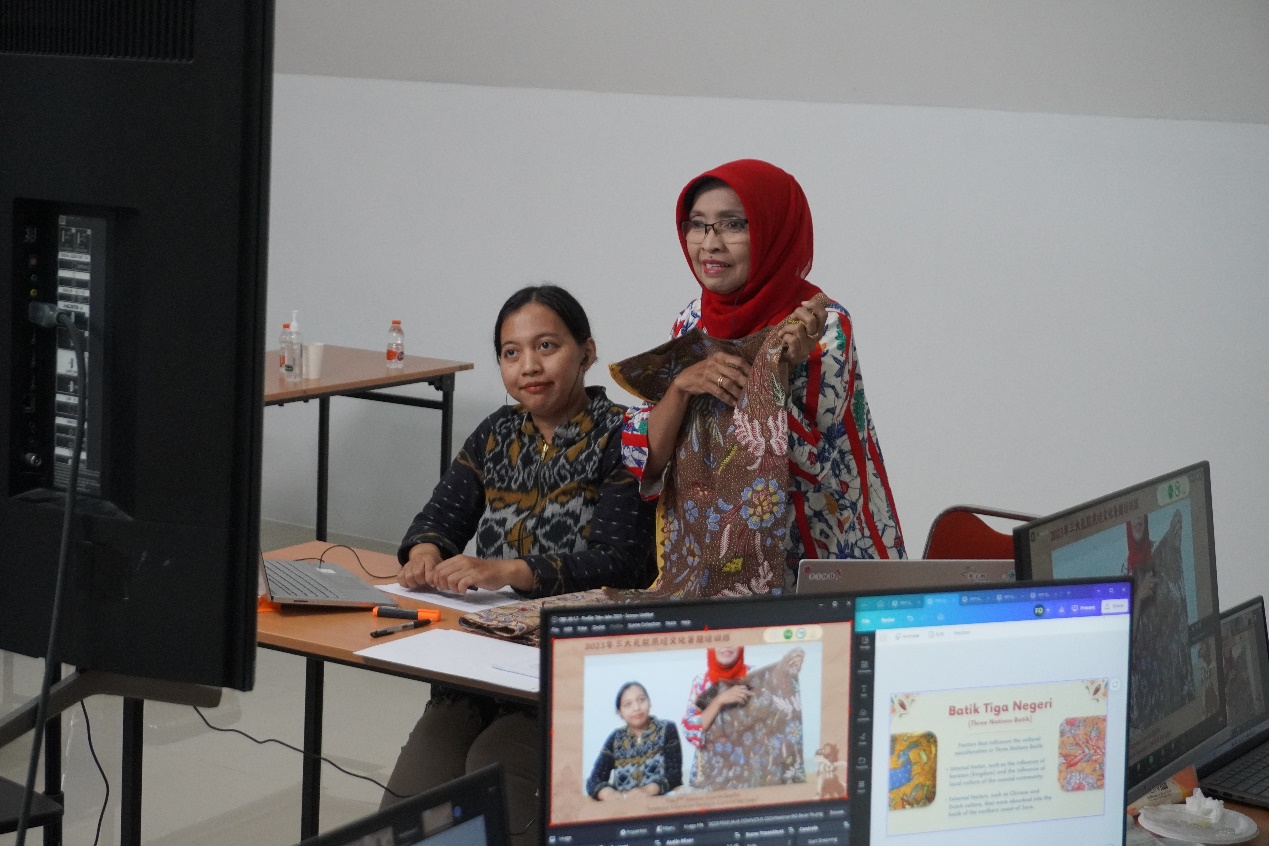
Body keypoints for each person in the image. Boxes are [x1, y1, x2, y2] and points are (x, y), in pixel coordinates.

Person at [380, 284, 657, 846]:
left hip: (568, 667)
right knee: (411, 807)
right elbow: (435, 520)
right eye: (511, 352)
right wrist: (425, 552)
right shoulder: (497, 432)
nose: (528, 365)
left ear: (587, 352)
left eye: (546, 346)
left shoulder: (624, 434)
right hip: (480, 663)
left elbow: (621, 564)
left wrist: (510, 571)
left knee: (494, 774)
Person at [621, 159, 905, 585]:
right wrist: (680, 388)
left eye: (733, 225)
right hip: (714, 561)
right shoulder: (691, 321)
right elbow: (645, 458)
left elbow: (813, 465)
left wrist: (776, 373)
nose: (709, 243)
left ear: (774, 231)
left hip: (815, 559)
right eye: (697, 225)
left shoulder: (821, 326)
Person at [586, 682, 683, 800]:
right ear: (619, 713)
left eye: (641, 700)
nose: (637, 707)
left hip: (660, 805)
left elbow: (674, 775)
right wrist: (609, 794)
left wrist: (648, 790)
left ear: (649, 702)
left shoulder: (667, 729)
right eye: (628, 704)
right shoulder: (615, 738)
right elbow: (594, 780)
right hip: (626, 807)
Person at [681, 646, 750, 786]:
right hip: (711, 773)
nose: (727, 645)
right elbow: (690, 729)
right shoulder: (702, 683)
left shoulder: (755, 677)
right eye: (720, 641)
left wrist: (789, 669)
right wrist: (719, 700)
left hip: (748, 769)